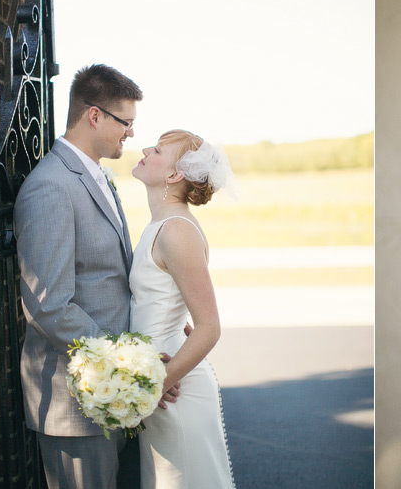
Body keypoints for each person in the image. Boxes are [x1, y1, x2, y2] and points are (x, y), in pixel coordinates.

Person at [16, 64, 152, 488]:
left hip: (112, 397)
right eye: (125, 122)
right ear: (95, 116)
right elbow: (48, 304)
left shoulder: (95, 176)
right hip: (75, 403)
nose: (130, 134)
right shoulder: (51, 186)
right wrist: (126, 365)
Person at [129, 129, 236, 488]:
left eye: (157, 150)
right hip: (159, 383)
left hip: (173, 393)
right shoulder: (161, 225)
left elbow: (209, 327)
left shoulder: (176, 231)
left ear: (175, 176)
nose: (144, 149)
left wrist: (156, 384)